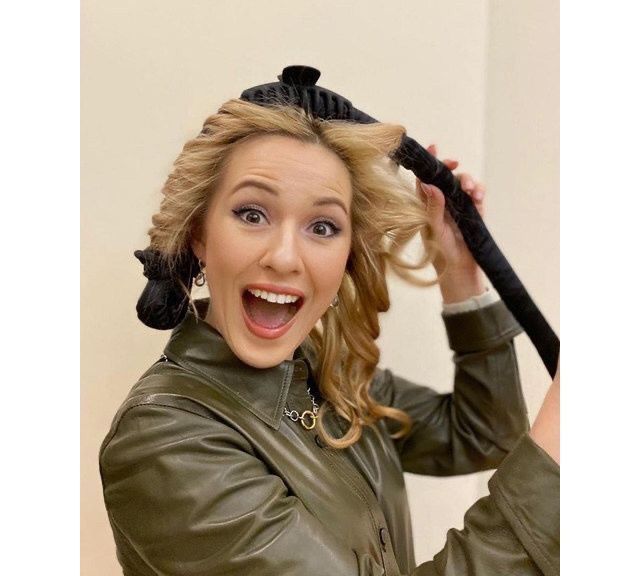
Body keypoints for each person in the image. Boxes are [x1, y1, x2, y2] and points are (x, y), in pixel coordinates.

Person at [99, 98, 559, 575]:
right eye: (252, 214)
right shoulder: (165, 438)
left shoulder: (329, 376)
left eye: (323, 226)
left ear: (346, 256)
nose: (284, 257)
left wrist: (457, 267)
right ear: (199, 234)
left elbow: (483, 435)